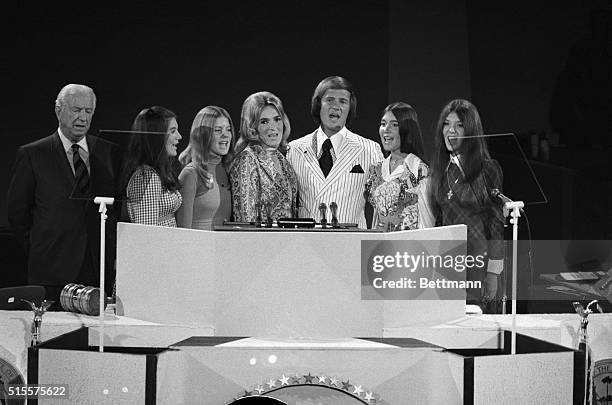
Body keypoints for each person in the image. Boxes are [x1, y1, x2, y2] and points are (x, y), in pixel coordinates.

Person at [7, 84, 122, 304]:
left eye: (88, 112)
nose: (82, 117)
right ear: (58, 110)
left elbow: (116, 208)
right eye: (76, 110)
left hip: (97, 267)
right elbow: (17, 213)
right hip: (52, 268)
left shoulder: (109, 153)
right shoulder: (33, 154)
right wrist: (41, 246)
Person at [429, 99, 505, 305]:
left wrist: (493, 273)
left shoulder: (487, 168)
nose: (450, 130)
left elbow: (496, 223)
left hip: (477, 263)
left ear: (471, 130)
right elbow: (440, 220)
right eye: (446, 124)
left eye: (459, 125)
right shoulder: (441, 170)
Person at [287, 76, 383, 228]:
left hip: (350, 244)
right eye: (330, 100)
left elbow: (381, 205)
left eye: (343, 101)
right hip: (306, 243)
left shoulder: (370, 149)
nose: (336, 106)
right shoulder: (294, 149)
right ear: (318, 105)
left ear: (350, 108)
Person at [364, 102, 435, 231]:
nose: (386, 129)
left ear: (407, 129)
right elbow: (376, 217)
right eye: (383, 124)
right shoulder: (376, 170)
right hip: (380, 247)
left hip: (410, 247)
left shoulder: (419, 171)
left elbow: (427, 221)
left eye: (394, 125)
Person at [229, 91, 298, 222]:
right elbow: (245, 219)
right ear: (252, 127)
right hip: (260, 241)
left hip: (289, 240)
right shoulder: (247, 159)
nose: (273, 128)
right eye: (264, 122)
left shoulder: (282, 159)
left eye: (277, 119)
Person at [176, 106, 234, 230]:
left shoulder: (228, 170)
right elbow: (182, 233)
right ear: (203, 135)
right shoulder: (191, 174)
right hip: (198, 247)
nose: (226, 135)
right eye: (218, 130)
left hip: (224, 247)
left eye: (228, 129)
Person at [123, 106, 183, 227]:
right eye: (172, 131)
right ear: (157, 136)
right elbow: (146, 232)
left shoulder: (158, 173)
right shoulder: (146, 176)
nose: (179, 136)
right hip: (159, 245)